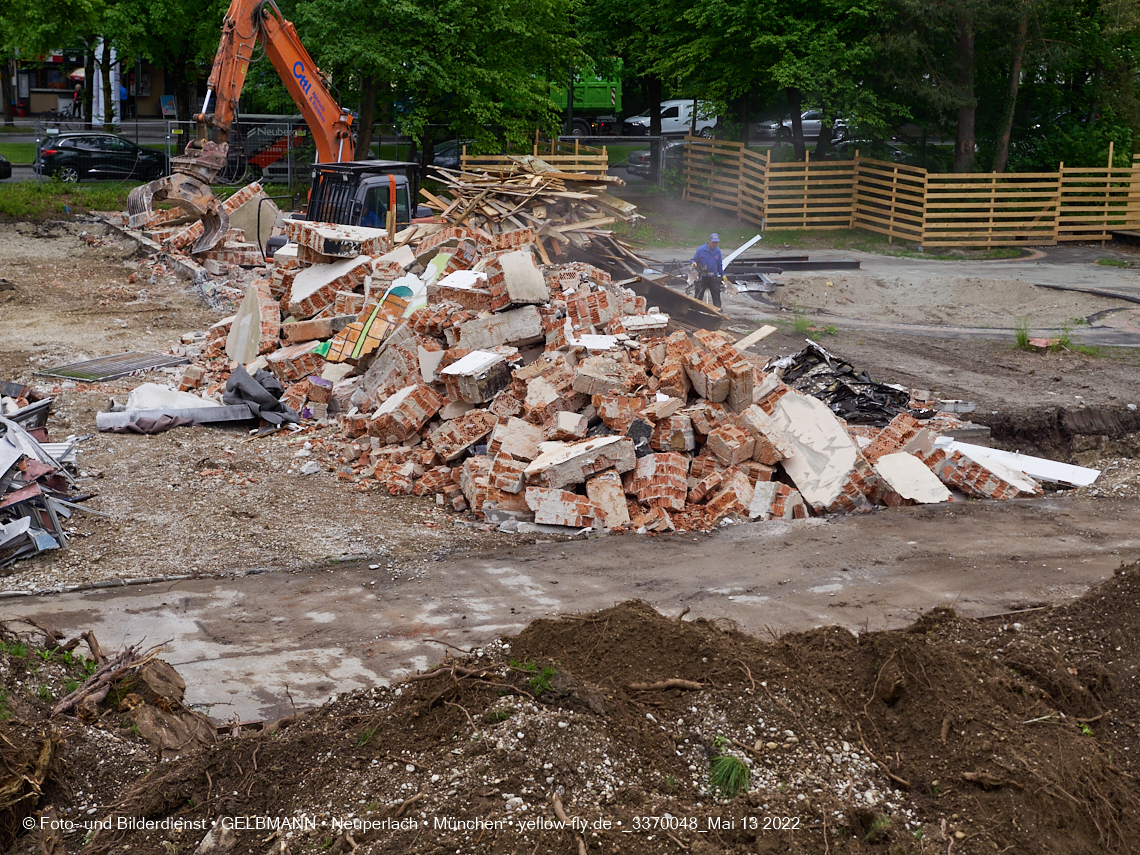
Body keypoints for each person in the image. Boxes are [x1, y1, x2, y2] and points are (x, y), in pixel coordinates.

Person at [690, 233, 724, 308]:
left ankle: (718, 310)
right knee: (699, 295)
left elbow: (719, 265)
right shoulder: (701, 250)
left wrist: (723, 275)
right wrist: (693, 263)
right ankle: (695, 309)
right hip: (702, 277)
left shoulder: (718, 251)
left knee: (716, 294)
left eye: (716, 243)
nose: (714, 244)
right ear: (709, 241)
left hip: (713, 277)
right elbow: (693, 260)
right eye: (713, 242)